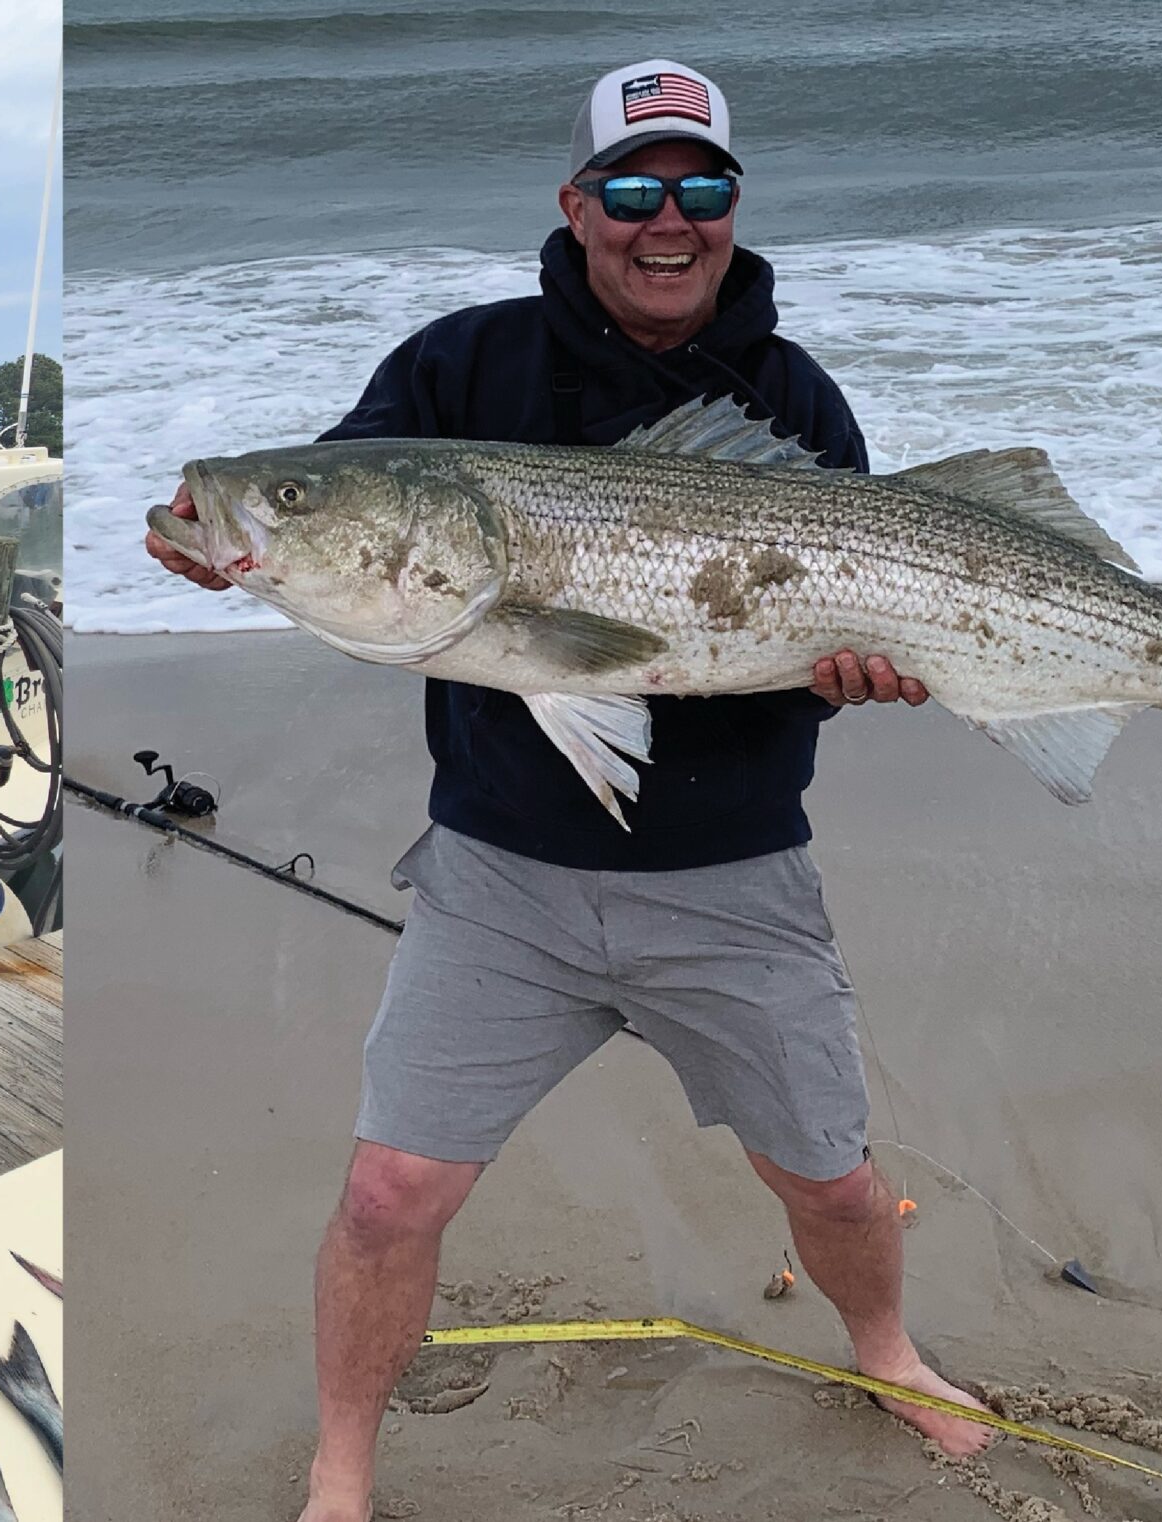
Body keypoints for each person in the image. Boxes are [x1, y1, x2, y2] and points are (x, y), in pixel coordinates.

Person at [143, 58, 991, 1521]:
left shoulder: (795, 399)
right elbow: (341, 498)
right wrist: (246, 531)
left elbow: (821, 643)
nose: (669, 219)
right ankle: (341, 1473)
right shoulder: (459, 370)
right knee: (387, 1195)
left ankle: (888, 1348)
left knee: (839, 1189)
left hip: (735, 881)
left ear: (733, 204)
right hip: (498, 880)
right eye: (634, 187)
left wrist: (863, 670)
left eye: (702, 186)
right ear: (577, 201)